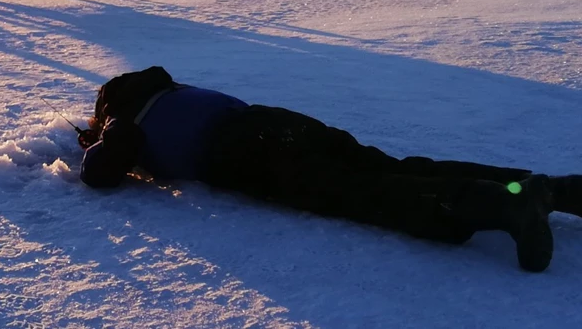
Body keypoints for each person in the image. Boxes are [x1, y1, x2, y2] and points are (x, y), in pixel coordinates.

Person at [77, 66, 582, 272]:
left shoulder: (128, 116)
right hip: (278, 122)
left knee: (364, 193)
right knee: (394, 166)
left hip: (250, 152)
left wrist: (99, 138)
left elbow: (100, 174)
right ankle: (543, 187)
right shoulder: (175, 92)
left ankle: (503, 204)